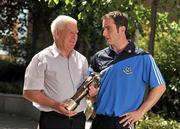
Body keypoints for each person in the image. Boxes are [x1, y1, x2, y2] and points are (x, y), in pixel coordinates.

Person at [90, 11, 166, 129]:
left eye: (108, 29)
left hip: (124, 123)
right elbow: (91, 87)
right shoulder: (98, 57)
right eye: (103, 29)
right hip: (99, 122)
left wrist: (140, 112)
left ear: (122, 29)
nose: (104, 33)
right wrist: (94, 101)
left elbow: (160, 87)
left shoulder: (143, 57)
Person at [23, 15, 96, 129]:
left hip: (79, 120)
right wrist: (55, 105)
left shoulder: (82, 60)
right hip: (53, 121)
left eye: (76, 33)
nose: (75, 37)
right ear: (57, 33)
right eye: (71, 32)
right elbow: (29, 92)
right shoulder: (41, 59)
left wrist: (92, 92)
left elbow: (86, 87)